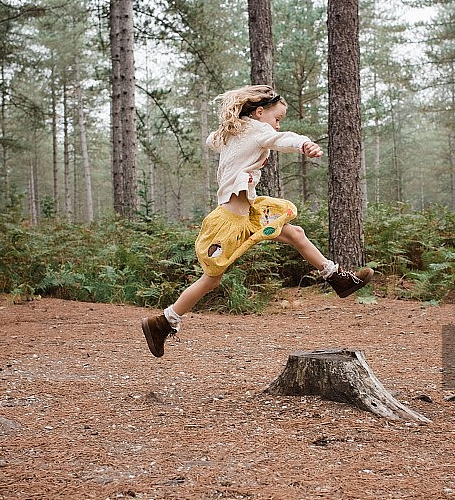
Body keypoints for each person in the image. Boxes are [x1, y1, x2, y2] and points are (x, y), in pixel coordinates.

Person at [142, 85, 373, 357]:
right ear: (260, 112)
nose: (276, 125)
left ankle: (336, 277)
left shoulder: (237, 131)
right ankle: (164, 321)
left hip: (248, 214)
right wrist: (304, 144)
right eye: (276, 118)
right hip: (230, 220)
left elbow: (211, 141)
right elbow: (283, 139)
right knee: (211, 280)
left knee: (295, 233)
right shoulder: (258, 130)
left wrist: (231, 126)